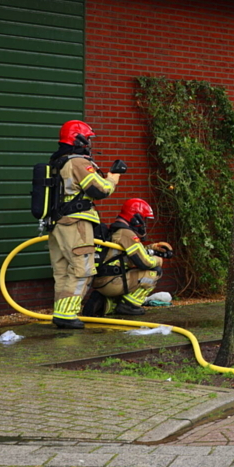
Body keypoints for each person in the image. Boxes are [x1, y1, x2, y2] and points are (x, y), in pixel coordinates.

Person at [47, 120, 121, 330]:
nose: (88, 143)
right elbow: (100, 190)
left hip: (57, 224)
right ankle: (68, 314)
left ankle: (62, 313)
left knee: (62, 270)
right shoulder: (78, 162)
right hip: (76, 223)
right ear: (78, 139)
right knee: (83, 269)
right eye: (87, 138)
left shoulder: (57, 161)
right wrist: (113, 178)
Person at [84, 199, 170, 317]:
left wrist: (153, 247)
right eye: (144, 219)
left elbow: (131, 253)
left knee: (133, 274)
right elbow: (144, 262)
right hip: (113, 282)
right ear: (136, 218)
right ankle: (129, 305)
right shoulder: (127, 233)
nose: (144, 224)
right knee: (155, 272)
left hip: (104, 281)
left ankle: (105, 303)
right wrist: (158, 260)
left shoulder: (118, 230)